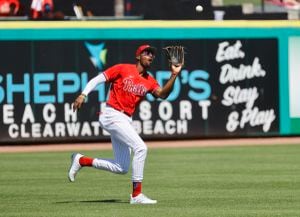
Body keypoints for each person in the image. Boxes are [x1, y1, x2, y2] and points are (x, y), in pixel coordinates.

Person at [68, 44, 183, 204]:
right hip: (112, 114)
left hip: (125, 119)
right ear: (138, 56)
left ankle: (81, 160)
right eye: (147, 53)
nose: (151, 56)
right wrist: (83, 94)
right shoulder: (123, 69)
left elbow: (162, 94)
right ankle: (136, 195)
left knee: (121, 167)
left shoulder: (149, 80)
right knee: (141, 147)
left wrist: (174, 75)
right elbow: (98, 79)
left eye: (152, 54)